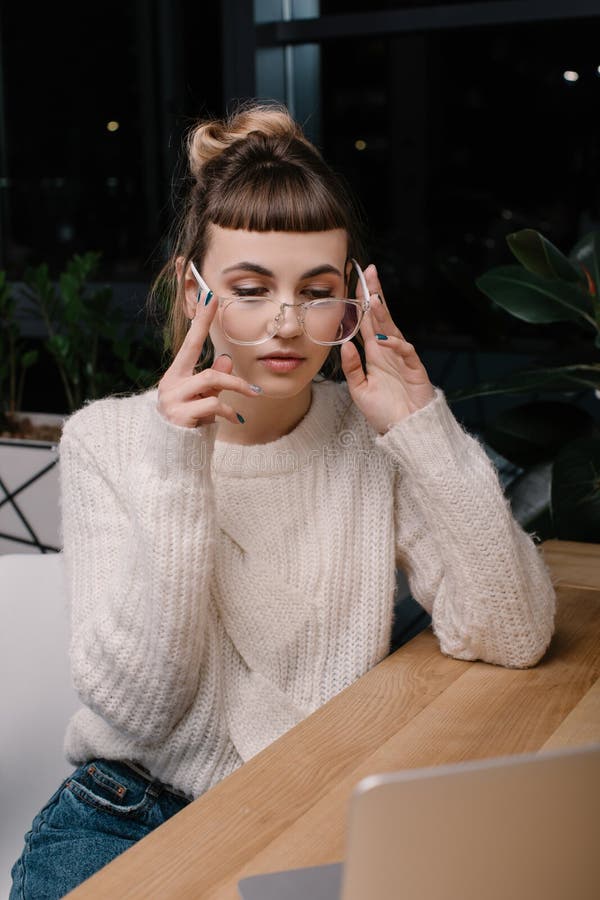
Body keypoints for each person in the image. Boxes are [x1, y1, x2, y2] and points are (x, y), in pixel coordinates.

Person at [9, 101, 556, 899]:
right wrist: (174, 466)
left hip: (316, 806)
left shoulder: (374, 442)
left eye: (319, 290)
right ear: (192, 291)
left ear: (355, 301)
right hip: (128, 814)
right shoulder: (109, 442)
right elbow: (144, 707)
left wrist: (423, 430)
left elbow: (513, 633)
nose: (289, 325)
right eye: (252, 288)